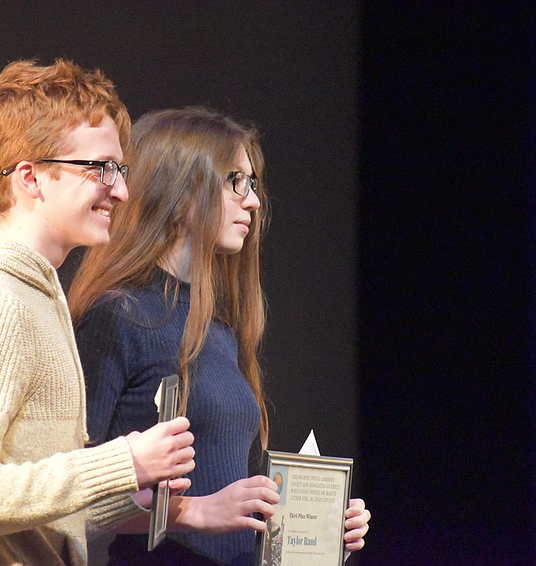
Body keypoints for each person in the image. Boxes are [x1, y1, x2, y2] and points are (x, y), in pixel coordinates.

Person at [0, 59, 196, 565]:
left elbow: (26, 516)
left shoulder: (33, 296)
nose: (120, 190)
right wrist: (120, 461)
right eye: (101, 168)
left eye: (120, 170)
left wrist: (137, 485)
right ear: (31, 179)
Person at [69, 107, 370, 565]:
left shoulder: (220, 328)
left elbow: (242, 496)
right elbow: (70, 495)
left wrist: (318, 523)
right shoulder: (118, 317)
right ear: (182, 187)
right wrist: (194, 512)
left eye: (253, 186)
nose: (252, 201)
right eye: (235, 182)